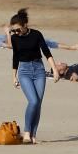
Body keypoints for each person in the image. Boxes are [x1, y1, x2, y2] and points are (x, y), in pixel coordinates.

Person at [9, 8, 59, 143]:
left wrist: (54, 69)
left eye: (18, 30)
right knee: (33, 101)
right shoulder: (14, 38)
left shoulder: (36, 34)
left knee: (38, 103)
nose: (15, 33)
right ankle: (27, 132)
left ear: (25, 25)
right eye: (13, 30)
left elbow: (46, 52)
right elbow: (15, 57)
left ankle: (33, 135)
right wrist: (14, 76)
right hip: (24, 71)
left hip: (39, 70)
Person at [0, 23, 78, 50]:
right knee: (44, 42)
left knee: (45, 40)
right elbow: (9, 46)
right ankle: (72, 47)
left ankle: (71, 47)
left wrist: (10, 31)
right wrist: (8, 33)